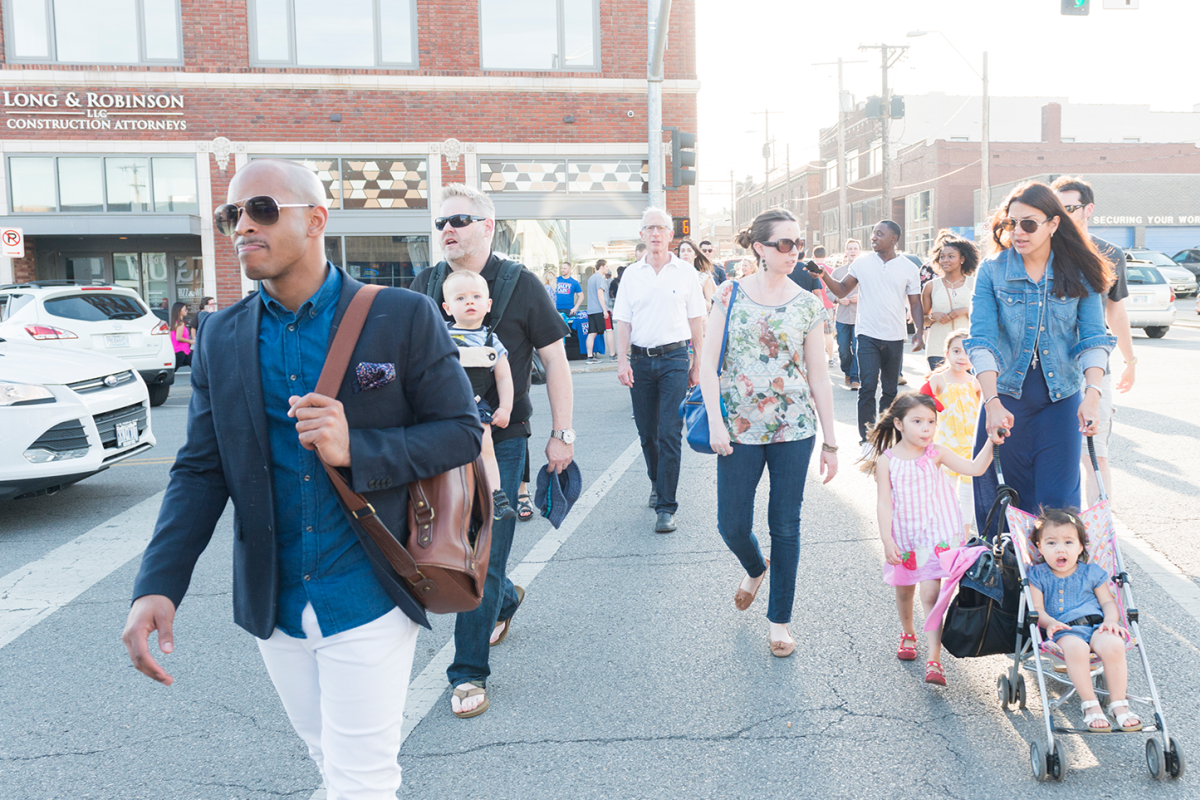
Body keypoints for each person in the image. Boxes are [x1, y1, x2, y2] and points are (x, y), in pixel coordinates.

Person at [121, 159, 483, 799]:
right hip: (276, 603)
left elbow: (459, 432)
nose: (241, 228)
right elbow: (202, 470)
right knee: (328, 759)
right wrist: (157, 585)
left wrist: (357, 449)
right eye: (230, 215)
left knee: (361, 780)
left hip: (368, 589)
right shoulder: (220, 334)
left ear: (316, 219)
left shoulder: (401, 316)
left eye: (260, 209)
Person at [409, 183, 574, 720]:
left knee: (483, 550)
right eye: (440, 223)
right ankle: (503, 601)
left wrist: (562, 434)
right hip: (438, 441)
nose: (447, 230)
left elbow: (556, 364)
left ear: (487, 225)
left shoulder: (521, 285)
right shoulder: (426, 285)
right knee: (446, 547)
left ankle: (468, 673)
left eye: (458, 219)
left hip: (503, 441)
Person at [699, 208, 838, 658]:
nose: (794, 251)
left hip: (794, 427)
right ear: (759, 248)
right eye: (784, 244)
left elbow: (819, 376)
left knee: (786, 525)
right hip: (737, 428)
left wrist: (833, 441)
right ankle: (756, 568)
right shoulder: (729, 293)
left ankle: (779, 620)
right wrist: (716, 422)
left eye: (798, 243)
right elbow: (706, 364)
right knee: (732, 524)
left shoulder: (808, 303)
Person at [967, 182, 1114, 532]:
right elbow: (981, 340)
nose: (1018, 232)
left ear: (1053, 224)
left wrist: (1092, 397)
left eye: (1028, 223)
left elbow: (1094, 338)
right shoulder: (993, 270)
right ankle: (1008, 584)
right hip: (1006, 400)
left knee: (1059, 509)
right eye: (1010, 223)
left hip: (1060, 400)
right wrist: (992, 403)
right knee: (1004, 508)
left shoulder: (1081, 270)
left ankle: (1056, 585)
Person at [861, 392, 1001, 686]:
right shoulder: (887, 461)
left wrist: (992, 441)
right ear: (898, 424)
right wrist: (887, 540)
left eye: (931, 422)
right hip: (904, 537)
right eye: (918, 421)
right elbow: (884, 503)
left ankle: (934, 659)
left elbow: (975, 469)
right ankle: (908, 632)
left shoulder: (936, 453)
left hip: (937, 536)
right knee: (904, 591)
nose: (927, 428)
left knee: (930, 595)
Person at [613, 207, 707, 534]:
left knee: (669, 432)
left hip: (675, 359)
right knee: (647, 433)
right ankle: (657, 481)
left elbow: (697, 319)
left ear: (671, 235)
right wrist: (621, 360)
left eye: (661, 228)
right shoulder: (631, 274)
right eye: (649, 228)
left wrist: (698, 360)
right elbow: (622, 320)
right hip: (639, 360)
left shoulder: (685, 272)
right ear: (642, 235)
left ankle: (666, 506)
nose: (655, 233)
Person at [1052, 176, 1136, 506]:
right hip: (1049, 364)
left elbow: (1116, 313)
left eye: (1070, 207)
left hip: (1094, 367)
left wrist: (1130, 360)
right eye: (1058, 207)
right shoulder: (1044, 248)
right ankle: (1060, 531)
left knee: (1094, 451)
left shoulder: (1110, 254)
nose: (1063, 214)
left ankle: (1100, 526)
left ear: (1088, 209)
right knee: (1056, 453)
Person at [807, 220, 925, 451]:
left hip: (894, 335)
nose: (873, 237)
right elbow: (842, 289)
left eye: (879, 233)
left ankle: (885, 434)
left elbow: (915, 303)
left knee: (890, 389)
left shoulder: (909, 268)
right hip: (867, 333)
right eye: (872, 233)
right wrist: (823, 275)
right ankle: (866, 438)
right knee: (867, 387)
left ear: (893, 238)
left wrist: (919, 332)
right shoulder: (862, 263)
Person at [1027, 508, 1140, 732]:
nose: (1060, 548)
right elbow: (1037, 608)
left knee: (1114, 644)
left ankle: (1118, 703)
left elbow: (1108, 602)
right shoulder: (1037, 575)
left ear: (1080, 547)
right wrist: (1050, 623)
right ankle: (1090, 705)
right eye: (1051, 543)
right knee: (1077, 649)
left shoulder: (1092, 572)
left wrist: (1110, 620)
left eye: (1068, 542)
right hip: (1064, 630)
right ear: (1039, 547)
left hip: (1097, 625)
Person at [443, 269, 519, 522]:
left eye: (476, 296)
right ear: (447, 307)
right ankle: (451, 499)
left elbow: (504, 376)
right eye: (461, 298)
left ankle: (495, 495)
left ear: (488, 305)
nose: (469, 302)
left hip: (474, 403)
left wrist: (506, 408)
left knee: (485, 445)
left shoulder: (490, 339)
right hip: (440, 405)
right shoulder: (437, 334)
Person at [925, 330, 981, 536]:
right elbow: (921, 400)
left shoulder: (975, 381)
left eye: (967, 352)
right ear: (946, 353)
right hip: (945, 446)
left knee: (967, 493)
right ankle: (942, 533)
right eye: (956, 351)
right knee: (943, 492)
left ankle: (964, 535)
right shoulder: (939, 379)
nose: (962, 357)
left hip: (969, 446)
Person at [921, 236, 979, 371]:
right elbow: (921, 321)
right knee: (942, 390)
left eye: (951, 256)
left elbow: (984, 318)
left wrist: (965, 311)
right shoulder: (930, 287)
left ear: (962, 259)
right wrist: (932, 317)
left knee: (966, 390)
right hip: (937, 350)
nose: (945, 260)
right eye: (942, 257)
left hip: (967, 349)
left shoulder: (974, 284)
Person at [832, 241, 861, 390]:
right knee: (843, 348)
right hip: (842, 317)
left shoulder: (865, 271)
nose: (853, 251)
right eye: (850, 248)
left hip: (859, 317)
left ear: (859, 251)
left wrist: (860, 297)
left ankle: (855, 378)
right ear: (846, 252)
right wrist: (838, 299)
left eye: (855, 248)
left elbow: (874, 291)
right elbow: (829, 290)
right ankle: (847, 371)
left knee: (857, 348)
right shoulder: (837, 272)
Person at [809, 246, 837, 365]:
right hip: (828, 304)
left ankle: (818, 360)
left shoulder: (810, 270)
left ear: (814, 256)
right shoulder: (831, 270)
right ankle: (830, 358)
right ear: (825, 256)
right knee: (828, 334)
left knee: (816, 335)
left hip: (814, 305)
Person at [585, 259, 612, 363]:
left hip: (591, 310)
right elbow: (600, 294)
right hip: (599, 310)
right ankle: (612, 355)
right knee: (609, 330)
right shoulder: (600, 278)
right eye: (606, 267)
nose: (608, 269)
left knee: (591, 333)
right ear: (601, 267)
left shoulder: (591, 278)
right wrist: (605, 310)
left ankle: (589, 356)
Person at [679, 239, 717, 306]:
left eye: (689, 251)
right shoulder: (673, 275)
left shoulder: (703, 277)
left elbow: (710, 305)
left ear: (695, 254)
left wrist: (696, 297)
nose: (685, 253)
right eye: (682, 251)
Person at [168, 302, 192, 368]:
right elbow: (178, 338)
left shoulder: (174, 324)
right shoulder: (180, 324)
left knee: (196, 367)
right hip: (181, 351)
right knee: (172, 370)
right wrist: (191, 341)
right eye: (185, 309)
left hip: (184, 351)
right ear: (179, 311)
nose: (186, 311)